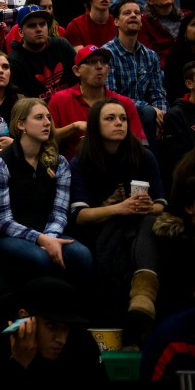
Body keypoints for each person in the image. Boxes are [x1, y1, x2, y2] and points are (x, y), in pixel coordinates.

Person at [70, 98, 166, 339]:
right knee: (121, 237)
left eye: (123, 118)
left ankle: (143, 297)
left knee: (148, 222)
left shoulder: (144, 156)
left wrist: (145, 207)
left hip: (140, 226)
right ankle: (130, 322)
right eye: (110, 118)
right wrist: (120, 208)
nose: (119, 123)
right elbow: (80, 215)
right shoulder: (81, 161)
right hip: (100, 229)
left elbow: (161, 205)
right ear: (96, 124)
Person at [0, 98, 93, 287]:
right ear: (21, 125)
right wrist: (40, 240)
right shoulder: (1, 163)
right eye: (39, 118)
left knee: (81, 254)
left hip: (48, 232)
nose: (47, 123)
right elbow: (2, 221)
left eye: (48, 117)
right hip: (9, 236)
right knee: (38, 257)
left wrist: (49, 238)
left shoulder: (60, 162)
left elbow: (59, 213)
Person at [0, 276, 107, 389]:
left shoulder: (79, 338)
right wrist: (19, 364)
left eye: (66, 327)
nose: (62, 339)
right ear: (24, 318)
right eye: (51, 325)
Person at [48, 45, 146, 160]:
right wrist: (75, 126)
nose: (99, 66)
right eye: (91, 62)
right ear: (77, 71)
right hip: (73, 166)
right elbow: (47, 139)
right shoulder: (59, 100)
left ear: (108, 70)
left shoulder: (124, 103)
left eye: (103, 62)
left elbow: (138, 143)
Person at [103, 0, 168, 153]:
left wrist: (161, 114)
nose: (133, 15)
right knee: (148, 113)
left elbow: (157, 93)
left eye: (137, 13)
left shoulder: (151, 56)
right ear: (116, 22)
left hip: (150, 116)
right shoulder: (107, 54)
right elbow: (111, 95)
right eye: (127, 13)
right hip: (118, 113)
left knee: (171, 116)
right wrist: (149, 108)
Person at [9, 5, 77, 101]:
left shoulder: (61, 45)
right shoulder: (15, 61)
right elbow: (23, 103)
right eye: (32, 25)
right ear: (20, 32)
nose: (39, 29)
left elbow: (80, 78)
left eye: (42, 24)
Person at [138, 0, 185, 68]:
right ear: (150, 0)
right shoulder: (143, 22)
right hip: (161, 69)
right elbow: (147, 54)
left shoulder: (187, 16)